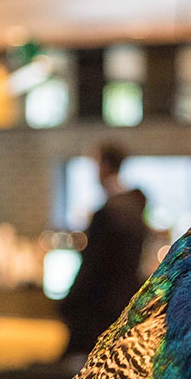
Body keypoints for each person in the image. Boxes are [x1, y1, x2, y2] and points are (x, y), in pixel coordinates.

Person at [58, 142, 149, 358]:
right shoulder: (134, 208)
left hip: (98, 317)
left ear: (105, 166)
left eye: (96, 164)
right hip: (124, 309)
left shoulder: (108, 212)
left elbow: (91, 269)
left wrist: (66, 306)